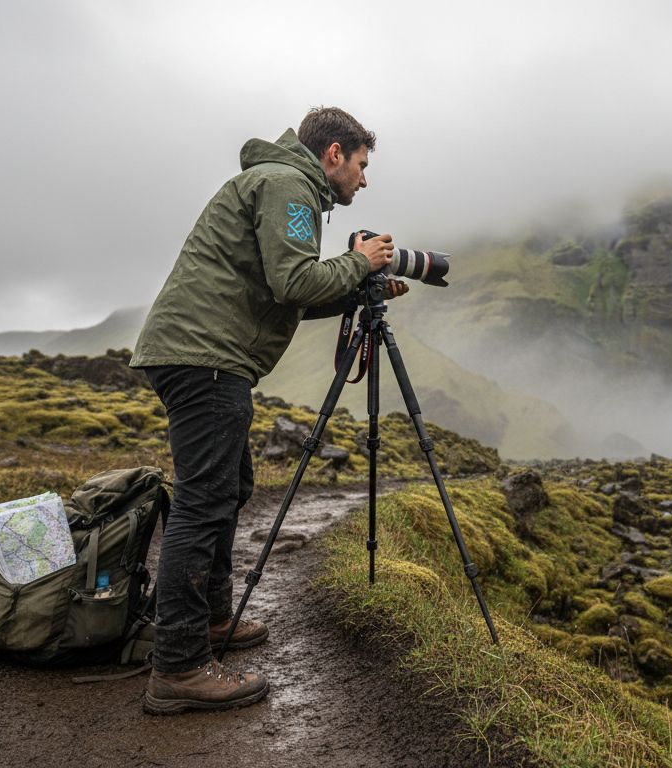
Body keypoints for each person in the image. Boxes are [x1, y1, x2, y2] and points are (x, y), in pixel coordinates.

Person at [129, 106, 406, 715]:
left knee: (230, 485)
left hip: (204, 353)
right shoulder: (288, 185)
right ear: (334, 153)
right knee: (205, 497)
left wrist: (359, 288)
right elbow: (294, 282)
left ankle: (208, 622)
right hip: (205, 356)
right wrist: (362, 262)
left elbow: (288, 295)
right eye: (362, 166)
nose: (364, 180)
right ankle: (177, 666)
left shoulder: (282, 183)